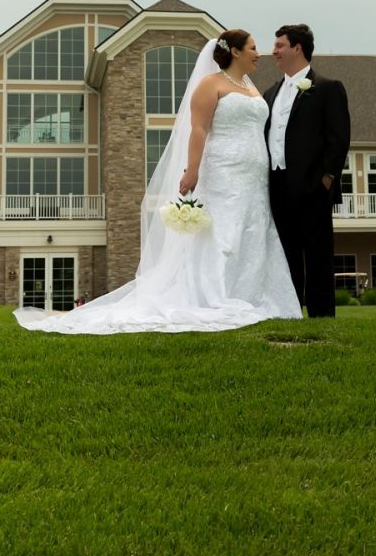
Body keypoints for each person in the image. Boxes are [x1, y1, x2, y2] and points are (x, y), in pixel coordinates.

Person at [15, 31, 301, 334]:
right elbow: (199, 130)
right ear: (234, 51)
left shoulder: (251, 88)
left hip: (255, 176)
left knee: (254, 231)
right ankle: (217, 295)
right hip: (223, 172)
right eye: (253, 48)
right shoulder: (210, 85)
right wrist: (192, 170)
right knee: (224, 235)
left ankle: (252, 294)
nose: (259, 54)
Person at [264, 23, 352, 319]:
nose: (273, 51)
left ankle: (322, 315)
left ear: (297, 48)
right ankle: (290, 311)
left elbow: (338, 139)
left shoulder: (327, 88)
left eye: (279, 46)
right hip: (277, 184)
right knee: (285, 254)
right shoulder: (270, 93)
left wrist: (326, 179)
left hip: (313, 187)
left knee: (317, 255)